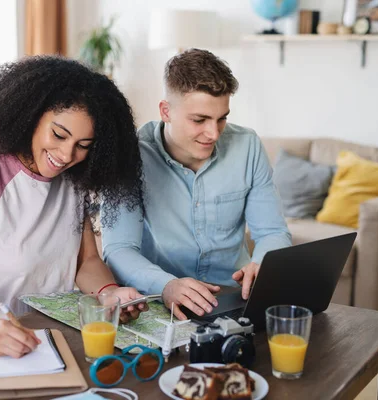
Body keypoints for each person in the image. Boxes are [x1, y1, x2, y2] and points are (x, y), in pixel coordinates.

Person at [0, 56, 148, 358]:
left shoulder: (73, 179)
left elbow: (85, 262)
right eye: (59, 135)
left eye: (84, 145)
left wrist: (109, 293)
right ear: (31, 115)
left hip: (51, 333)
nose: (67, 154)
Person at [102, 48, 291, 321]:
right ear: (166, 111)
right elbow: (118, 249)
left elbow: (272, 231)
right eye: (199, 120)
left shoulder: (247, 146)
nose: (213, 133)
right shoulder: (130, 156)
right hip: (159, 303)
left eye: (222, 118)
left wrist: (263, 263)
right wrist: (165, 285)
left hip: (236, 299)